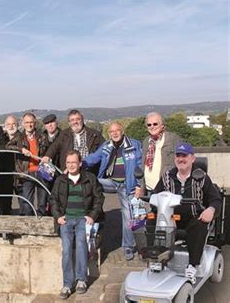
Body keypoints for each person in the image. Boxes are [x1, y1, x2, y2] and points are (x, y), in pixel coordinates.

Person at [154, 142, 222, 283]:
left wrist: (211, 209)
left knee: (199, 224)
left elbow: (216, 200)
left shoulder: (202, 177)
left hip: (194, 218)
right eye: (178, 155)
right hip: (171, 218)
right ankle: (157, 259)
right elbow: (155, 196)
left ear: (192, 158)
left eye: (185, 156)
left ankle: (192, 265)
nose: (181, 159)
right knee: (150, 220)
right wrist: (148, 210)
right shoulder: (167, 176)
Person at [82, 122, 142, 261]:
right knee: (88, 182)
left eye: (117, 131)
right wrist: (78, 163)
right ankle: (91, 220)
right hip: (111, 182)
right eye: (111, 132)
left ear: (122, 131)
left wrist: (138, 185)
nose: (114, 134)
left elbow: (139, 166)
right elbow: (93, 158)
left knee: (128, 215)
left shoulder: (134, 145)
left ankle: (128, 246)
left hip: (127, 185)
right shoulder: (106, 146)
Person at [50, 150, 104, 299]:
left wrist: (92, 216)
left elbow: (99, 198)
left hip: (83, 219)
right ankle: (67, 284)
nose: (71, 165)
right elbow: (53, 199)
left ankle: (81, 280)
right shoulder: (60, 180)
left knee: (81, 245)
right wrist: (58, 216)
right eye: (68, 163)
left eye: (74, 162)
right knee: (66, 249)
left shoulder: (90, 179)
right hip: (66, 220)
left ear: (80, 163)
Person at [6, 112, 48, 216]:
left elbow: (48, 150)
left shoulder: (42, 136)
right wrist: (21, 149)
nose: (29, 125)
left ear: (35, 123)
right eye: (27, 122)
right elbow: (8, 146)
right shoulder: (19, 136)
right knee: (27, 203)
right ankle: (28, 224)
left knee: (42, 201)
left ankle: (41, 225)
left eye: (31, 122)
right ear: (23, 124)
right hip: (26, 172)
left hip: (41, 171)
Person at [142, 112, 182, 194]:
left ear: (162, 125)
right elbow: (143, 164)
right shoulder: (147, 141)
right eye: (149, 125)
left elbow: (182, 160)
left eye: (155, 124)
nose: (152, 127)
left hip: (166, 186)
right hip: (149, 187)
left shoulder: (173, 139)